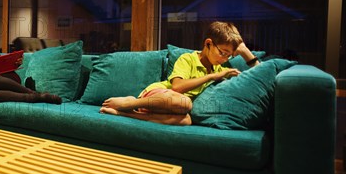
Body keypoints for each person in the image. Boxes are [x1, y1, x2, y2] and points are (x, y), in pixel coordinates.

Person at [100, 21, 260, 126]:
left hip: (175, 108)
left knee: (186, 120)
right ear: (208, 43)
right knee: (186, 103)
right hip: (160, 95)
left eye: (228, 55)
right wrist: (212, 76)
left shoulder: (220, 68)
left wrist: (246, 53)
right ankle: (130, 104)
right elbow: (176, 87)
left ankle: (122, 113)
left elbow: (259, 77)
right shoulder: (189, 59)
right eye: (223, 52)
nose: (224, 58)